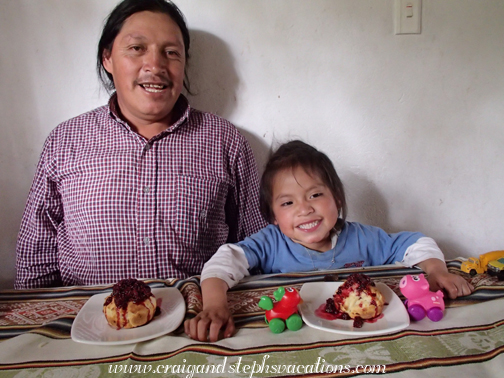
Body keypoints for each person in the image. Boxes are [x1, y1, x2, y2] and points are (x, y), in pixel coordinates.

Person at [15, 0, 266, 289]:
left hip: (196, 323)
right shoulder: (66, 141)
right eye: (137, 49)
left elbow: (255, 246)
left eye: (171, 53)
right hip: (90, 324)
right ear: (107, 58)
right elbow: (36, 257)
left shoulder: (225, 141)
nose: (155, 65)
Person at [185, 140, 474, 341]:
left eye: (315, 195)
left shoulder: (363, 238)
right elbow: (224, 261)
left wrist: (437, 271)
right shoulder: (269, 243)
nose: (304, 208)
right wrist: (214, 304)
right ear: (273, 216)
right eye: (287, 203)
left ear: (336, 198)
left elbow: (416, 243)